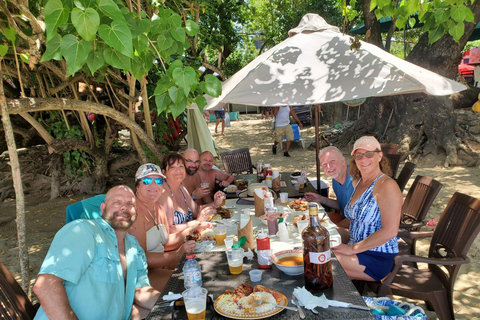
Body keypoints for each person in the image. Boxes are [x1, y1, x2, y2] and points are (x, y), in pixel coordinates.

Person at [33, 185, 160, 320]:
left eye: (130, 204)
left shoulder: (134, 248)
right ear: (103, 208)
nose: (123, 207)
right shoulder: (83, 231)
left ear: (136, 211)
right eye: (116, 202)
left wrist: (174, 302)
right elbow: (45, 286)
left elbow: (140, 291)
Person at [332, 136, 402, 282]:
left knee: (321, 259)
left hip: (377, 256)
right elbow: (355, 219)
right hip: (356, 243)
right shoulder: (359, 182)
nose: (364, 159)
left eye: (369, 154)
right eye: (359, 155)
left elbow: (390, 231)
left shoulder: (386, 185)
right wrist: (334, 229)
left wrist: (351, 250)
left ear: (380, 156)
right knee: (316, 239)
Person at [127, 163, 203, 292]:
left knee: (203, 268)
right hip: (142, 274)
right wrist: (177, 254)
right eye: (146, 180)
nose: (153, 185)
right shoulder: (135, 214)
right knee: (190, 283)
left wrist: (194, 230)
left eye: (158, 180)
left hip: (161, 265)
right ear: (137, 187)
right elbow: (141, 259)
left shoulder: (159, 208)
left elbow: (166, 242)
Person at [158, 152, 224, 232]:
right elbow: (169, 230)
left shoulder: (182, 189)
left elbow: (196, 211)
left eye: (181, 166)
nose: (178, 170)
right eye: (173, 167)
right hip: (179, 242)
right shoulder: (163, 193)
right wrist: (196, 223)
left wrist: (215, 203)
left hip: (191, 238)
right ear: (164, 172)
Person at [304, 146, 354, 240]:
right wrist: (320, 199)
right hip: (344, 223)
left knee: (317, 238)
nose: (329, 167)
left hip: (357, 232)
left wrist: (332, 230)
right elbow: (342, 205)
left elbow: (353, 219)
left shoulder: (354, 180)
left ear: (342, 161)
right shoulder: (336, 179)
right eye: (324, 164)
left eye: (332, 161)